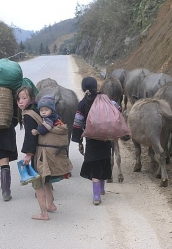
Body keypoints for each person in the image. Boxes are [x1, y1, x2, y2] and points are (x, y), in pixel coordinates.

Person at [17, 87, 72, 220]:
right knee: (46, 179)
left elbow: (30, 137)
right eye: (18, 99)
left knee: (38, 183)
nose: (20, 101)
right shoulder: (39, 111)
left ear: (31, 98)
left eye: (24, 98)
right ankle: (51, 204)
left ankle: (43, 213)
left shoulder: (30, 115)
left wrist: (28, 154)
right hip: (47, 152)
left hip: (40, 153)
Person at [71, 76, 118, 205]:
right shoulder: (106, 99)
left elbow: (77, 123)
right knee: (104, 161)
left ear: (83, 88)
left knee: (94, 166)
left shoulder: (82, 103)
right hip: (106, 138)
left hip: (91, 140)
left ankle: (96, 196)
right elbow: (118, 110)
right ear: (96, 86)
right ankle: (102, 189)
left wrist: (79, 141)